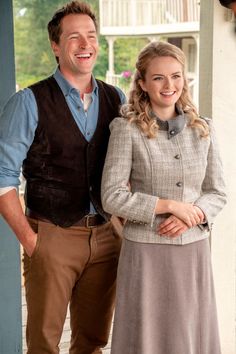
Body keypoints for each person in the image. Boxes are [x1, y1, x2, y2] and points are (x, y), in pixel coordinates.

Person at [0, 1, 126, 353]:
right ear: (56, 46)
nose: (85, 44)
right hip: (52, 236)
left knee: (92, 342)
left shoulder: (118, 98)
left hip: (105, 237)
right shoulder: (28, 102)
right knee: (44, 344)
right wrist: (32, 242)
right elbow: (2, 178)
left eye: (91, 35)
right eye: (74, 37)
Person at [101, 41, 227, 354]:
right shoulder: (126, 129)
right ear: (142, 83)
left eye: (175, 76)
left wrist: (192, 216)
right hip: (146, 252)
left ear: (184, 79)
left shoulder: (204, 129)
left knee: (190, 332)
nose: (168, 85)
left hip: (192, 250)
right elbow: (112, 196)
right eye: (158, 77)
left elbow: (217, 191)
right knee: (147, 335)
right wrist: (169, 207)